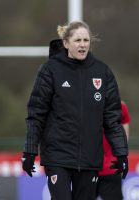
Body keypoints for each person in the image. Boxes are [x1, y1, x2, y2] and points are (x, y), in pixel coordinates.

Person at [21, 21, 128, 200]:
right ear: (66, 43)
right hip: (57, 156)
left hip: (90, 159)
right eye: (77, 40)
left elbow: (112, 119)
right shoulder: (50, 70)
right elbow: (36, 114)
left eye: (86, 40)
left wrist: (122, 153)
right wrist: (29, 152)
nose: (83, 44)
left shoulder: (103, 72)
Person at [96, 100, 130, 200]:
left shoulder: (84, 103)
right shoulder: (119, 105)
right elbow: (125, 138)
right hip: (111, 165)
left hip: (89, 165)